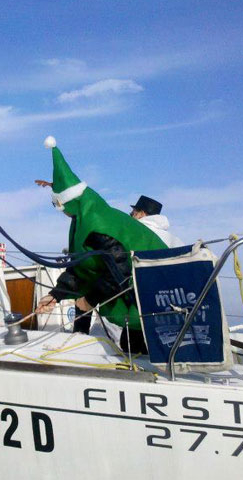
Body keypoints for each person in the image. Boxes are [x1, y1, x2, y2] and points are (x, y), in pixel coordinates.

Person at [34, 136, 166, 352]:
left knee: (137, 346)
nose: (59, 210)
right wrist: (56, 295)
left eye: (57, 205)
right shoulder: (84, 219)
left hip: (152, 292)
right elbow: (82, 268)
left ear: (69, 201)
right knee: (129, 343)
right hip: (135, 295)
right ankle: (84, 344)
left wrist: (90, 298)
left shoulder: (98, 225)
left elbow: (121, 268)